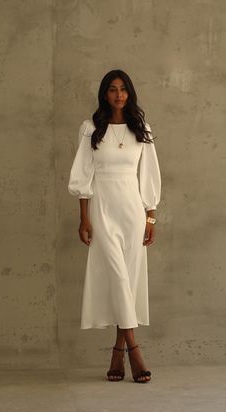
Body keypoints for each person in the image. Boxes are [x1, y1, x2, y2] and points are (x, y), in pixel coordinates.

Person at [68, 69, 161, 383]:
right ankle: (135, 351)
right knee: (119, 278)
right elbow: (83, 177)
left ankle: (116, 354)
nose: (118, 94)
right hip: (103, 211)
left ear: (129, 93)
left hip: (133, 212)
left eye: (123, 89)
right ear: (104, 94)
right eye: (112, 89)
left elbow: (148, 177)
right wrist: (84, 218)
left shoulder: (141, 130)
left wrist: (150, 218)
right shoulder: (91, 128)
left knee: (129, 281)